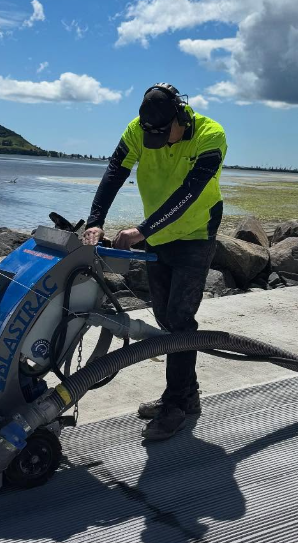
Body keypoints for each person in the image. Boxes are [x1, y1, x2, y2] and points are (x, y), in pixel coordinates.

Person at [82, 84, 227, 440]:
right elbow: (115, 172)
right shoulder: (137, 129)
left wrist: (141, 230)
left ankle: (175, 405)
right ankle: (186, 396)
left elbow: (189, 193)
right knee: (165, 319)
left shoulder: (211, 136)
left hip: (195, 236)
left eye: (164, 136)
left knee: (179, 319)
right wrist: (95, 220)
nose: (157, 143)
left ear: (179, 117)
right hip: (159, 238)